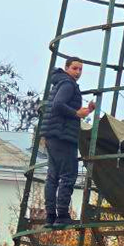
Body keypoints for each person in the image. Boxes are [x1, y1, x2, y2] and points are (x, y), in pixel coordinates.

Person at [42, 57, 95, 228]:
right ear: (66, 68)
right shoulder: (68, 84)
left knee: (53, 176)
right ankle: (62, 215)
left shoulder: (59, 83)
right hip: (63, 136)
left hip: (52, 135)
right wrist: (76, 113)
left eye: (80, 69)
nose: (78, 72)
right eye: (75, 68)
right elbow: (58, 105)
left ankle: (50, 216)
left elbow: (67, 109)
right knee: (68, 175)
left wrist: (85, 111)